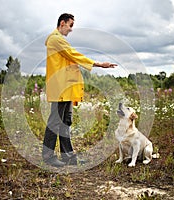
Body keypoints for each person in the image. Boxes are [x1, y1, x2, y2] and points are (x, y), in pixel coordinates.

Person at [42, 13, 117, 167]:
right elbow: (74, 55)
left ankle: (67, 156)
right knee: (55, 122)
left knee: (65, 121)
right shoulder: (55, 39)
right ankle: (48, 157)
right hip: (60, 88)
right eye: (70, 25)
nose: (71, 30)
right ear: (62, 23)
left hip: (67, 88)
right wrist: (98, 64)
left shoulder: (60, 40)